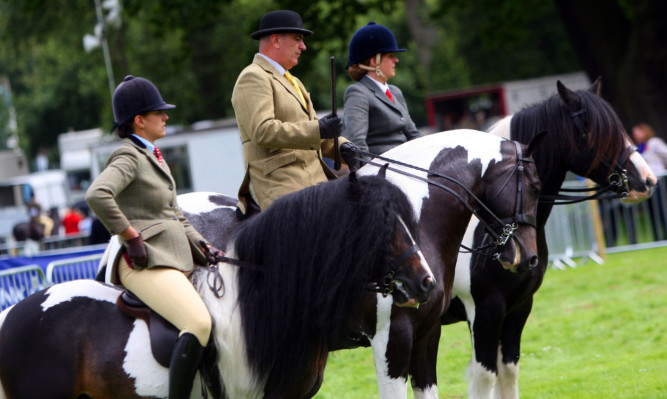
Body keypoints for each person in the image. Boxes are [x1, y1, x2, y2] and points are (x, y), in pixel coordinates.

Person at [85, 75, 225, 399]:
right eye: (159, 112)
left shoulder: (153, 154)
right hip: (143, 261)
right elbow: (98, 194)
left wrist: (202, 244)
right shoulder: (129, 156)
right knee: (199, 324)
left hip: (172, 253)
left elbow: (174, 213)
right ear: (139, 120)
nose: (166, 117)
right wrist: (130, 236)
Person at [231, 9, 358, 214]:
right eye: (298, 39)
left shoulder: (293, 81)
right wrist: (319, 128)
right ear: (276, 40)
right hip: (282, 183)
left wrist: (344, 148)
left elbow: (317, 134)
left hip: (315, 179)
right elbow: (263, 131)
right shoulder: (252, 77)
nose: (303, 46)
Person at [342, 22, 423, 158]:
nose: (396, 60)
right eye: (391, 56)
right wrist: (370, 177)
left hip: (410, 162)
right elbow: (357, 145)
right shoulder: (358, 93)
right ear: (374, 61)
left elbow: (413, 134)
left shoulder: (395, 92)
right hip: (382, 171)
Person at [631, 122, 667, 240]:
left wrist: (663, 168)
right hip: (645, 182)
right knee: (651, 211)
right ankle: (657, 237)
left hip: (657, 180)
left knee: (661, 209)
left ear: (645, 131)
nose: (635, 135)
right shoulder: (639, 146)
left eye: (637, 132)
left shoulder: (654, 142)